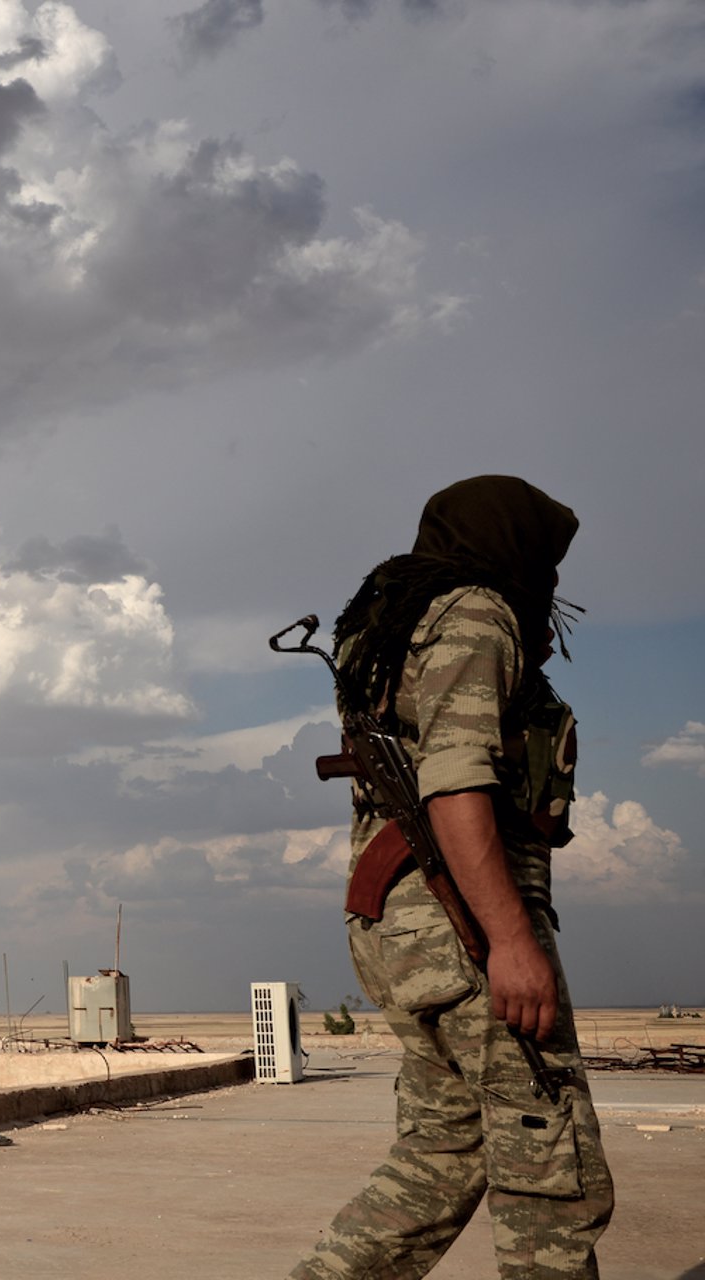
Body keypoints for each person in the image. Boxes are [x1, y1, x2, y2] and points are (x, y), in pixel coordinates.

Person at [291, 476, 613, 1279]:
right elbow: (457, 781)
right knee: (550, 1171)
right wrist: (510, 941)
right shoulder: (474, 614)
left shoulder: (406, 622)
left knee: (443, 1154)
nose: (554, 581)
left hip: (398, 926)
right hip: (457, 922)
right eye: (545, 559)